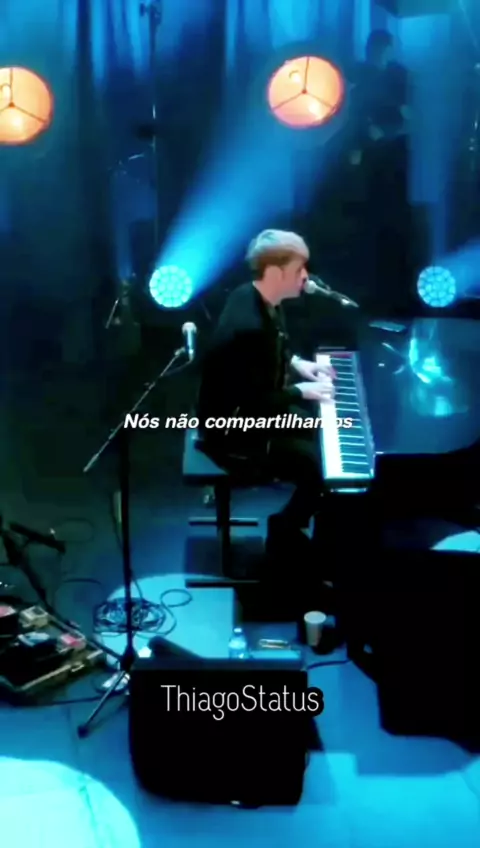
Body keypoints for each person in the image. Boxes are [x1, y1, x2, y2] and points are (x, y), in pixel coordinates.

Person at [196, 229, 335, 550]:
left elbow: (274, 348)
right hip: (232, 433)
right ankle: (284, 528)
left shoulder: (254, 295)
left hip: (250, 411)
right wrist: (301, 391)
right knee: (315, 466)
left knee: (318, 432)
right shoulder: (251, 328)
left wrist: (298, 363)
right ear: (274, 272)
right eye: (299, 269)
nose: (306, 276)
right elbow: (252, 402)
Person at [349, 29, 411, 168]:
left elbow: (411, 117)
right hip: (367, 143)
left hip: (394, 143)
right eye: (371, 49)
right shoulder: (360, 76)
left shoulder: (400, 76)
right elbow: (355, 114)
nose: (373, 54)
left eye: (379, 49)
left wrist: (385, 131)